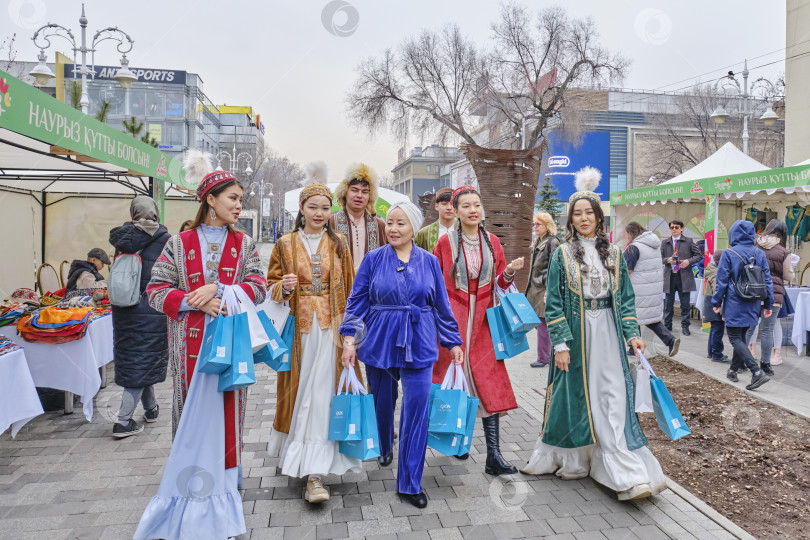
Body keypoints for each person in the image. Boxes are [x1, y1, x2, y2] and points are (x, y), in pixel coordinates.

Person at [135, 152, 267, 540]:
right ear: (210, 199)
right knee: (189, 417)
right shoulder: (179, 243)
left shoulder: (244, 245)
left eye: (241, 199)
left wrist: (223, 292)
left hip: (230, 348)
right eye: (233, 199)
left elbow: (258, 286)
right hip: (189, 350)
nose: (239, 206)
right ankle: (189, 487)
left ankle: (226, 489)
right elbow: (155, 290)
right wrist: (193, 300)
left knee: (230, 416)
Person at [522, 167, 666, 501]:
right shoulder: (561, 254)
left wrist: (633, 334)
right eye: (578, 214)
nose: (584, 218)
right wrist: (559, 342)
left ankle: (623, 468)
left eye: (590, 213)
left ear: (599, 218)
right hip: (577, 338)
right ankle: (577, 457)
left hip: (610, 338)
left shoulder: (616, 255)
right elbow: (553, 301)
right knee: (576, 398)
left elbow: (626, 301)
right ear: (570, 219)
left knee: (614, 395)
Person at [340, 201, 464, 509]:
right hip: (379, 337)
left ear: (413, 227)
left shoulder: (429, 261)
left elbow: (441, 306)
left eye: (401, 224)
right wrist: (349, 339)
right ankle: (384, 445)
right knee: (382, 400)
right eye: (390, 223)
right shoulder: (373, 259)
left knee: (417, 408)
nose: (393, 229)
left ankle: (410, 482)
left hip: (419, 339)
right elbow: (356, 302)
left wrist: (453, 341)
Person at [266, 181, 363, 505]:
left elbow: (352, 293)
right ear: (302, 210)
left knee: (324, 396)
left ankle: (316, 471)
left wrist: (351, 337)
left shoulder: (339, 245)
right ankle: (304, 462)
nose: (320, 213)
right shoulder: (284, 244)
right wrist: (284, 287)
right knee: (302, 393)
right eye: (313, 207)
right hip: (299, 336)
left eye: (325, 207)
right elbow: (269, 288)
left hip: (332, 335)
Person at [432, 185, 523, 476]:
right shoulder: (445, 244)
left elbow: (501, 284)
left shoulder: (493, 241)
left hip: (484, 320)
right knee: (456, 382)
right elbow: (436, 285)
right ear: (455, 211)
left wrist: (508, 274)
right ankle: (458, 439)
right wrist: (444, 322)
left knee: (488, 384)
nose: (473, 210)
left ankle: (494, 455)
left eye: (477, 205)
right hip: (454, 318)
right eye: (466, 206)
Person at [109, 196, 171, 438]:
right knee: (144, 360)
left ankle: (151, 408)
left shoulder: (122, 239)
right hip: (152, 312)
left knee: (138, 360)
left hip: (124, 311)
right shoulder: (165, 240)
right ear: (155, 213)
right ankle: (123, 421)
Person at [712, 220, 772, 391]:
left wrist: (716, 302)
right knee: (742, 337)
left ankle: (756, 372)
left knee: (735, 338)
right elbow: (767, 280)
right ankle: (733, 370)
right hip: (753, 301)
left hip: (734, 301)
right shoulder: (759, 253)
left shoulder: (728, 253)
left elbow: (721, 281)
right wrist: (767, 303)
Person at [623, 222, 680, 357]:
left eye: (626, 235)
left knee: (631, 317)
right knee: (650, 319)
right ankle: (670, 340)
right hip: (652, 289)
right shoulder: (653, 245)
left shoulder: (634, 247)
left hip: (638, 289)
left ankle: (633, 349)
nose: (626, 238)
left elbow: (627, 269)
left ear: (631, 234)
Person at [749, 219, 794, 375]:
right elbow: (788, 275)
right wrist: (792, 275)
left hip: (753, 292)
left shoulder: (755, 245)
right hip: (773, 293)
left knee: (751, 325)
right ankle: (766, 364)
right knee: (768, 330)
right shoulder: (783, 251)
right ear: (782, 233)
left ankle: (745, 359)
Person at [328, 163, 388, 271]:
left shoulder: (380, 225)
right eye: (354, 190)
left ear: (370, 196)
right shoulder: (331, 223)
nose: (359, 195)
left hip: (371, 287)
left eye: (365, 192)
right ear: (345, 192)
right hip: (340, 286)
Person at [525, 212, 561, 368]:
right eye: (534, 224)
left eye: (538, 224)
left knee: (544, 324)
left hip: (544, 290)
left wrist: (549, 289)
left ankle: (544, 357)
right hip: (536, 289)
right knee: (541, 324)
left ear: (547, 226)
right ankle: (548, 355)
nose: (535, 227)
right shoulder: (539, 240)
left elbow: (556, 268)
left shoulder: (552, 242)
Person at [660, 220, 702, 335]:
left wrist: (689, 261)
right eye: (672, 227)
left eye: (676, 227)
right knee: (668, 304)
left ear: (682, 229)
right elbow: (659, 257)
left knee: (685, 304)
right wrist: (667, 260)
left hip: (684, 276)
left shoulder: (688, 241)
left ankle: (685, 326)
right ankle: (668, 326)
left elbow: (699, 255)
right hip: (670, 276)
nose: (674, 229)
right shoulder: (665, 242)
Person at [703, 250, 729, 363]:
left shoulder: (711, 269)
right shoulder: (716, 273)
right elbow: (717, 290)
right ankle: (717, 354)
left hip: (710, 303)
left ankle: (711, 352)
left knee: (714, 329)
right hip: (715, 304)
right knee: (717, 329)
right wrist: (721, 308)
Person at [415, 187, 455, 252]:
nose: (449, 208)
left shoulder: (464, 231)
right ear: (436, 206)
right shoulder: (424, 233)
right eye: (444, 204)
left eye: (452, 204)